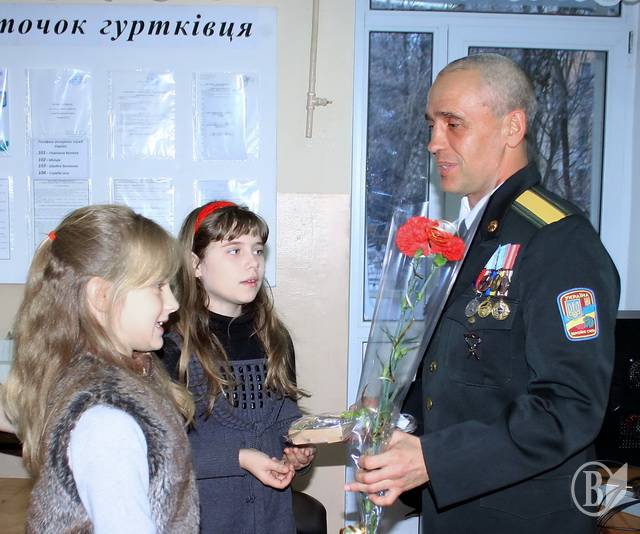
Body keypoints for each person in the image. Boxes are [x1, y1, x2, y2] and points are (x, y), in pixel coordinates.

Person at [346, 53, 620, 533]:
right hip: (455, 510)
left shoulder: (558, 240)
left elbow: (570, 405)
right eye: (432, 125)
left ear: (512, 127)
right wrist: (394, 418)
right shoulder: (472, 235)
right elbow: (462, 375)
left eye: (454, 124)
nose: (434, 142)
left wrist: (434, 459)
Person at [1, 205, 199, 533]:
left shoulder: (116, 374)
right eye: (158, 285)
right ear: (102, 296)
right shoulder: (107, 420)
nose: (173, 303)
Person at [159, 201, 316, 534]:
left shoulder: (274, 338)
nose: (252, 262)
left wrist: (297, 448)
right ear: (195, 264)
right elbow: (162, 451)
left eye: (258, 250)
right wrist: (239, 457)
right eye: (234, 250)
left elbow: (282, 416)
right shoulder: (171, 346)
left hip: (273, 522)